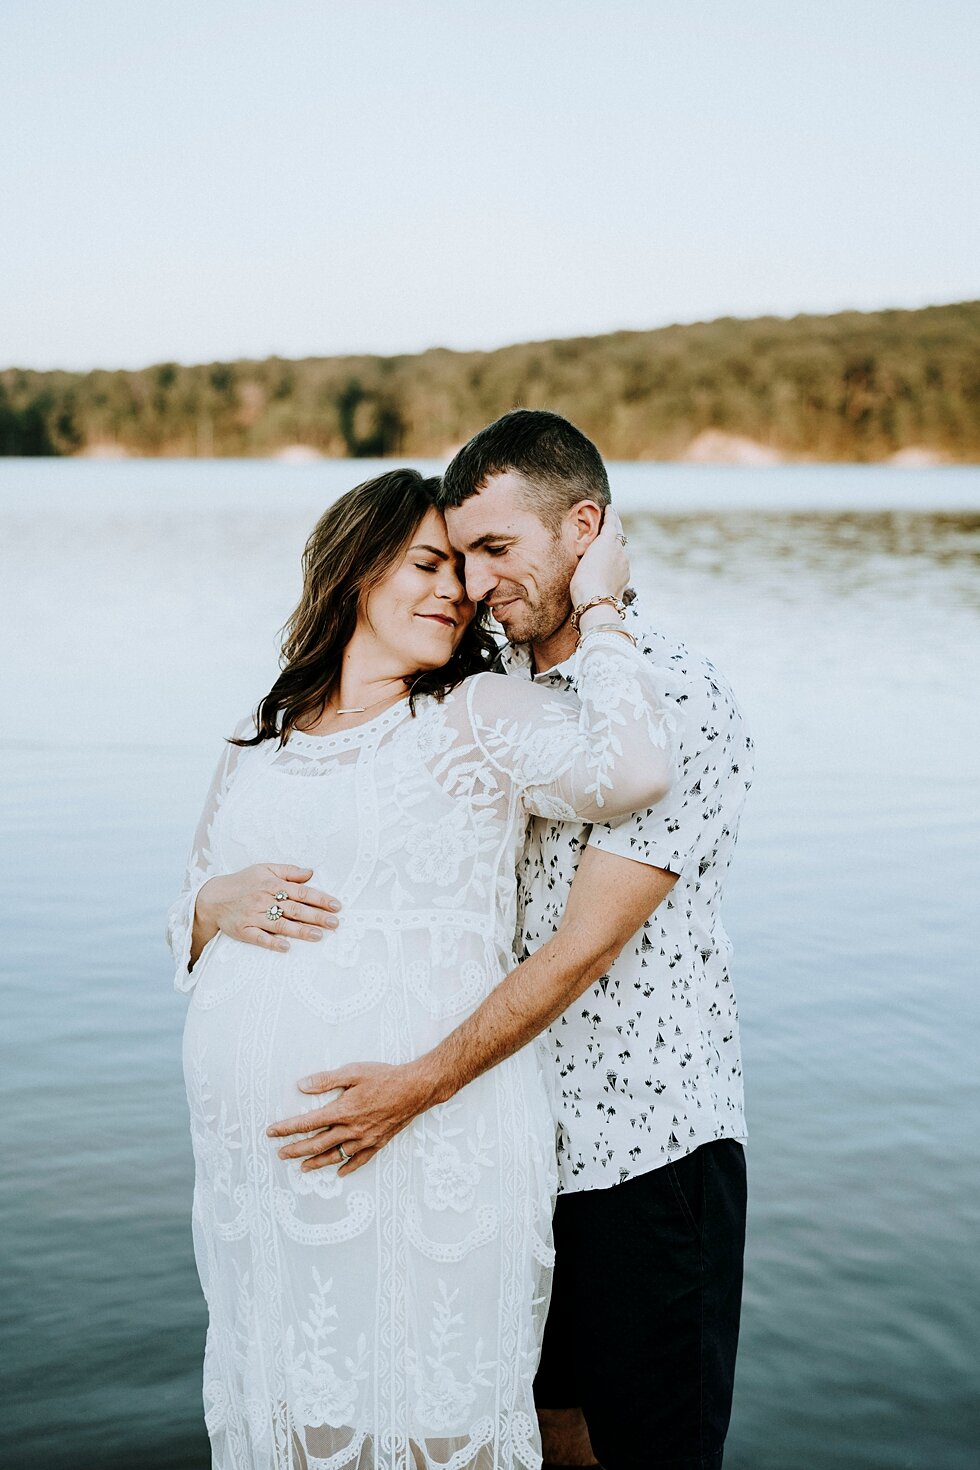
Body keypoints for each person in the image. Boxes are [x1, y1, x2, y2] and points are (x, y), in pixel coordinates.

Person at [267, 414, 754, 1470]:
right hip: (507, 1153)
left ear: (584, 529)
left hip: (644, 1163)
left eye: (498, 550)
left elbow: (579, 951)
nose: (475, 583)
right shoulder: (490, 689)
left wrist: (412, 1086)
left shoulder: (675, 698)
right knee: (539, 1439)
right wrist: (216, 898)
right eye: (459, 554)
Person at [167, 466, 677, 1470]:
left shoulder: (469, 718)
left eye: (465, 570)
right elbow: (184, 927)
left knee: (434, 1409)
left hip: (436, 1146)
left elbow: (632, 770)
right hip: (261, 1186)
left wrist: (601, 606)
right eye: (428, 564)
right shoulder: (258, 741)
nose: (458, 590)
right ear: (356, 572)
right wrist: (207, 904)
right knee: (296, 1406)